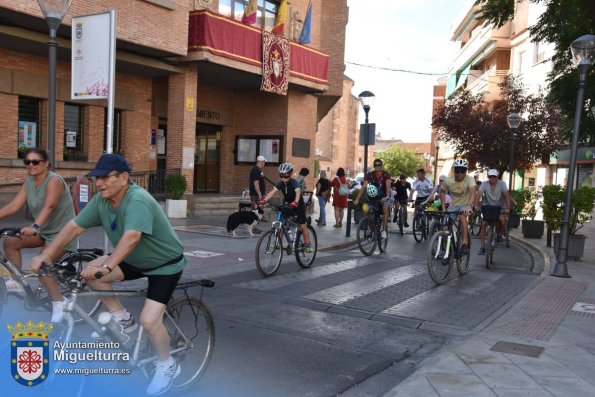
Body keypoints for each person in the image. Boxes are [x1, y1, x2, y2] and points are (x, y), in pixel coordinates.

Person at [30, 154, 188, 396]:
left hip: (165, 264)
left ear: (124, 178)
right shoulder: (102, 201)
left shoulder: (138, 200)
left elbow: (132, 237)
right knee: (88, 273)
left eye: (105, 177)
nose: (99, 183)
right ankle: (123, 318)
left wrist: (107, 265)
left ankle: (168, 365)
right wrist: (47, 256)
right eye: (97, 178)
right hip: (133, 259)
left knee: (149, 319)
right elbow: (74, 227)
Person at [0, 148, 77, 322]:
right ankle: (17, 282)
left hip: (62, 233)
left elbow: (49, 205)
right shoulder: (28, 181)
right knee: (10, 241)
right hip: (44, 232)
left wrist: (35, 225)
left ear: (46, 163)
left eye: (35, 161)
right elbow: (13, 206)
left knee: (42, 265)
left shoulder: (54, 181)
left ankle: (59, 302)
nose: (31, 165)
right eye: (27, 162)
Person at [260, 163, 313, 252]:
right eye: (282, 176)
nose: (283, 178)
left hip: (298, 205)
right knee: (282, 223)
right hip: (288, 204)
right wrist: (264, 200)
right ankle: (278, 242)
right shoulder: (280, 183)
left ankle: (308, 244)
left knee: (302, 225)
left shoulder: (294, 182)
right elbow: (272, 192)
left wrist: (296, 201)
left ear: (290, 174)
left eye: (286, 176)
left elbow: (298, 192)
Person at [440, 159, 477, 255]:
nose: (460, 174)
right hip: (453, 205)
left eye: (463, 171)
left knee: (462, 216)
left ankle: (464, 243)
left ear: (466, 171)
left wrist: (469, 206)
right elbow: (442, 192)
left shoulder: (470, 179)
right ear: (454, 171)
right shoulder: (448, 180)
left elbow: (473, 192)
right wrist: (443, 207)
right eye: (457, 171)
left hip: (465, 205)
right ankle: (448, 251)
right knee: (445, 228)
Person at [474, 169, 512, 255]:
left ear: (497, 177)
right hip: (488, 208)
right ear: (488, 177)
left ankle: (499, 234)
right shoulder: (484, 184)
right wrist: (476, 205)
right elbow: (478, 194)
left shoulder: (502, 184)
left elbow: (507, 195)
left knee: (502, 220)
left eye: (494, 176)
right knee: (483, 224)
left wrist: (508, 208)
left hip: (499, 208)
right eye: (490, 176)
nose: (492, 178)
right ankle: (482, 247)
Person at [354, 159, 392, 238]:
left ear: (381, 166)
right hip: (372, 198)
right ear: (374, 166)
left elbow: (388, 186)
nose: (377, 166)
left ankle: (384, 230)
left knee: (385, 208)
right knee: (365, 211)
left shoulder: (386, 175)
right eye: (375, 165)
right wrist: (357, 199)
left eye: (379, 165)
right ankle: (372, 229)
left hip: (384, 197)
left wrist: (387, 197)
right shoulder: (370, 175)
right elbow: (363, 187)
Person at [249, 155, 267, 233]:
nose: (265, 163)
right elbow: (256, 183)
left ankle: (254, 227)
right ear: (261, 162)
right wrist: (259, 194)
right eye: (264, 162)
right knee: (255, 211)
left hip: (256, 195)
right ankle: (253, 228)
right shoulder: (256, 170)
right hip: (255, 195)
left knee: (256, 211)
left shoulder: (258, 170)